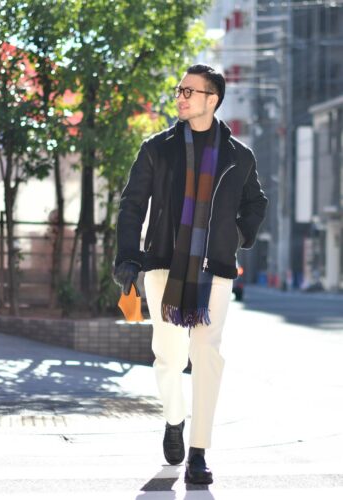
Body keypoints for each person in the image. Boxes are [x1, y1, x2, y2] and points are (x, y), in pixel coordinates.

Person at [113, 64, 267, 484]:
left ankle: (198, 451)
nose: (180, 97)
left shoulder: (238, 156)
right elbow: (132, 205)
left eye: (189, 91)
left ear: (211, 99)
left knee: (207, 354)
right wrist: (128, 256)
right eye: (179, 90)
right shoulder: (157, 148)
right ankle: (174, 419)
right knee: (169, 357)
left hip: (214, 268)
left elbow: (256, 203)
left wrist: (236, 235)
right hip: (163, 263)